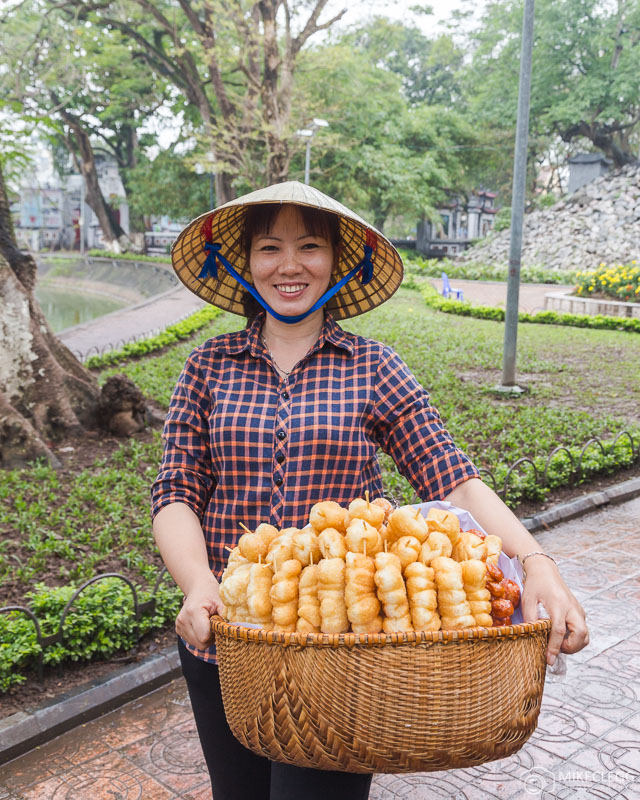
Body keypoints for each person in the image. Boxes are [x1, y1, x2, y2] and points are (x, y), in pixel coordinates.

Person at [151, 181, 588, 800]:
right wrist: (198, 585)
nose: (290, 265)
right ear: (244, 262)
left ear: (338, 261)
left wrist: (536, 562)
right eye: (270, 247)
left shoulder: (373, 366)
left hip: (341, 655)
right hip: (225, 641)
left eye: (309, 246)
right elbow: (176, 493)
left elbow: (453, 481)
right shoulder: (207, 366)